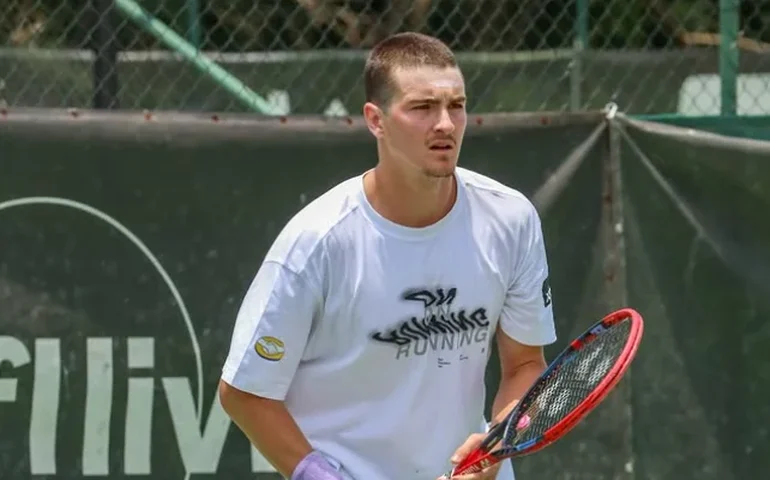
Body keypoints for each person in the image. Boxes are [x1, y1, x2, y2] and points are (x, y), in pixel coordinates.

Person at [218, 31, 557, 480]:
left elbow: (526, 364)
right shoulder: (317, 242)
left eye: (456, 105)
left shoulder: (511, 219)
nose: (445, 124)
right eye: (422, 108)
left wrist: (495, 445)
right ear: (375, 120)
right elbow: (244, 392)